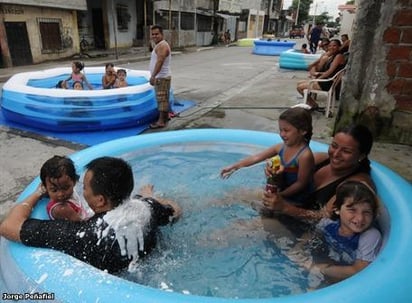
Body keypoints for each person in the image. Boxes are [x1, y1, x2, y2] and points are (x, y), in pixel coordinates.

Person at [0, 156, 181, 274]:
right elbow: (175, 210)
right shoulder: (146, 209)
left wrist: (38, 193)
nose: (83, 192)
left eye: (85, 188)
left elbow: (8, 227)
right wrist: (152, 198)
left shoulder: (82, 235)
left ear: (100, 200)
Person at [261, 124, 375, 224]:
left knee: (245, 228)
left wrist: (285, 208)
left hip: (303, 228)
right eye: (334, 146)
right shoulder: (319, 159)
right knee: (244, 195)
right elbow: (287, 183)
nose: (336, 154)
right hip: (285, 207)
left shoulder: (354, 185)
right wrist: (276, 176)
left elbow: (325, 217)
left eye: (346, 151)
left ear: (361, 156)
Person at [289, 180, 381, 284]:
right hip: (331, 259)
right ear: (337, 209)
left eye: (367, 212)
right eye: (352, 210)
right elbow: (312, 234)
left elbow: (358, 270)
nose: (360, 218)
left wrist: (319, 268)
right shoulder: (328, 224)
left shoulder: (369, 236)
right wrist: (299, 246)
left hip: (347, 280)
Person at [221, 107, 314, 204]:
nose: (282, 134)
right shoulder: (281, 147)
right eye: (280, 130)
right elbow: (256, 157)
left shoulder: (304, 155)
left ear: (303, 131)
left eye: (286, 130)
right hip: (280, 192)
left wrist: (281, 196)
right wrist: (235, 166)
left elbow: (301, 184)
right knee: (234, 196)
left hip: (296, 200)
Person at [297, 39, 346, 110]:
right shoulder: (333, 56)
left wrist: (318, 79)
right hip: (326, 80)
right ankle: (312, 103)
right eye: (330, 46)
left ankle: (313, 104)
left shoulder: (338, 56)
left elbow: (330, 71)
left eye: (334, 46)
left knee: (299, 88)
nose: (331, 47)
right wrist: (319, 74)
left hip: (327, 83)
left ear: (339, 46)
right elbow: (329, 71)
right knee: (299, 83)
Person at [40, 155, 90, 221]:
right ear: (46, 188)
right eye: (54, 190)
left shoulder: (64, 185)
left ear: (74, 182)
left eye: (65, 188)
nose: (61, 194)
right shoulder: (62, 209)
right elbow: (81, 224)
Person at [149, 24, 172, 129]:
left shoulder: (162, 45)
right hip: (163, 76)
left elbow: (160, 61)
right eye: (153, 34)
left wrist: (153, 76)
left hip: (161, 77)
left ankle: (161, 121)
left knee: (161, 99)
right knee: (164, 98)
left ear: (162, 34)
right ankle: (165, 117)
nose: (154, 36)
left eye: (157, 34)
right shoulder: (160, 45)